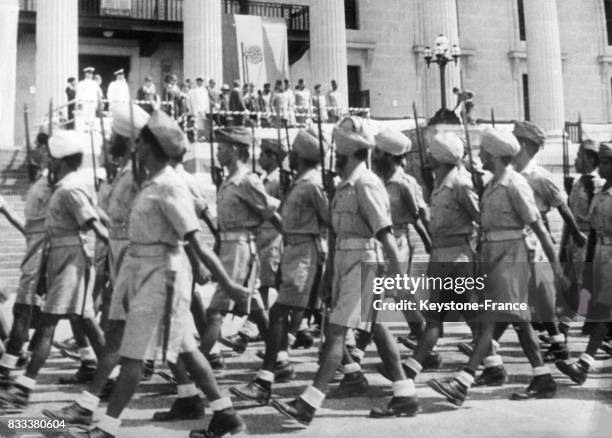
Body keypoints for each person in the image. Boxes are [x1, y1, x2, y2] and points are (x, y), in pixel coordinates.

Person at [54, 110, 249, 438]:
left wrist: (229, 285)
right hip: (143, 272)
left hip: (163, 277)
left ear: (153, 147)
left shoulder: (170, 184)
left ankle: (106, 427)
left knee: (133, 355)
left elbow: (195, 241)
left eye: (142, 143)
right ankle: (226, 416)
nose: (136, 148)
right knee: (185, 348)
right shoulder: (149, 183)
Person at [270, 117, 420, 426]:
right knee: (376, 327)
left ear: (349, 153)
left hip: (365, 262)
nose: (334, 157)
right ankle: (405, 394)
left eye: (338, 152)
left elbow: (385, 234)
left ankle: (309, 403)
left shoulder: (366, 183)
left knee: (336, 331)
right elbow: (335, 233)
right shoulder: (344, 185)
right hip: (346, 263)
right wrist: (327, 277)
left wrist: (400, 278)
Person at [427, 127, 564, 406]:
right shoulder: (491, 185)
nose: (480, 156)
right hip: (492, 256)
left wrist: (557, 269)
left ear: (496, 155)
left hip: (512, 257)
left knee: (490, 317)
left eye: (484, 152)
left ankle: (463, 381)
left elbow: (538, 227)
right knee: (520, 321)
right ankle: (542, 377)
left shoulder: (515, 184)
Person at [0, 130, 109, 410]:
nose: (46, 157)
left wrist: (117, 257)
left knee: (48, 323)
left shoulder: (68, 187)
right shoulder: (61, 183)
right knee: (84, 319)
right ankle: (108, 375)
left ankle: (22, 387)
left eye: (50, 154)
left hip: (70, 258)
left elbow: (96, 225)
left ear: (60, 159)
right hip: (59, 255)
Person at [230, 128, 330, 405]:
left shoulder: (313, 184)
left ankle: (266, 379)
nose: (291, 156)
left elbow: (330, 220)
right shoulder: (301, 181)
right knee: (326, 324)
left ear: (301, 155)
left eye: (294, 153)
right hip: (292, 250)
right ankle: (347, 369)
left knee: (277, 313)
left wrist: (325, 257)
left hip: (306, 252)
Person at [399, 132, 480, 385]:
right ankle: (413, 368)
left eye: (432, 153)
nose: (428, 157)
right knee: (443, 315)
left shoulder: (460, 184)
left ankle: (413, 368)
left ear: (443, 157)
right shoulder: (439, 183)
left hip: (458, 258)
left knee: (460, 315)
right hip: (440, 258)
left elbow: (479, 218)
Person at [198, 127, 281, 360]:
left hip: (241, 252)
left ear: (234, 150)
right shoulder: (228, 181)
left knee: (215, 311)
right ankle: (278, 360)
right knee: (258, 313)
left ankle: (198, 366)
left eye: (222, 149)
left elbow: (271, 213)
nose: (217, 153)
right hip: (230, 250)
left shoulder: (247, 181)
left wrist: (292, 240)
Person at [511, 121, 585, 362]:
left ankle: (487, 349)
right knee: (533, 298)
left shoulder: (540, 176)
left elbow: (562, 207)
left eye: (514, 139)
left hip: (535, 241)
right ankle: (557, 343)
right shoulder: (512, 174)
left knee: (532, 297)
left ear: (522, 145)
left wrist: (575, 235)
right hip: (517, 241)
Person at [555, 142, 612, 385]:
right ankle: (585, 362)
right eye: (601, 160)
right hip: (600, 253)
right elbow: (592, 229)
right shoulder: (600, 193)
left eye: (607, 162)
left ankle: (584, 362)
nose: (601, 165)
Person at [0, 133, 50, 380]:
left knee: (27, 309)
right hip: (38, 250)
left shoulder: (52, 183)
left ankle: (12, 368)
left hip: (46, 252)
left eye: (39, 147)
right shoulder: (42, 180)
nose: (34, 151)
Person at [560, 139, 603, 320]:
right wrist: (563, 245)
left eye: (579, 156)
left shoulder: (596, 183)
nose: (575, 161)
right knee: (571, 281)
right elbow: (569, 215)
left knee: (580, 282)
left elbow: (595, 215)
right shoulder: (579, 182)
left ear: (590, 159)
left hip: (586, 238)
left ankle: (569, 322)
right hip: (573, 239)